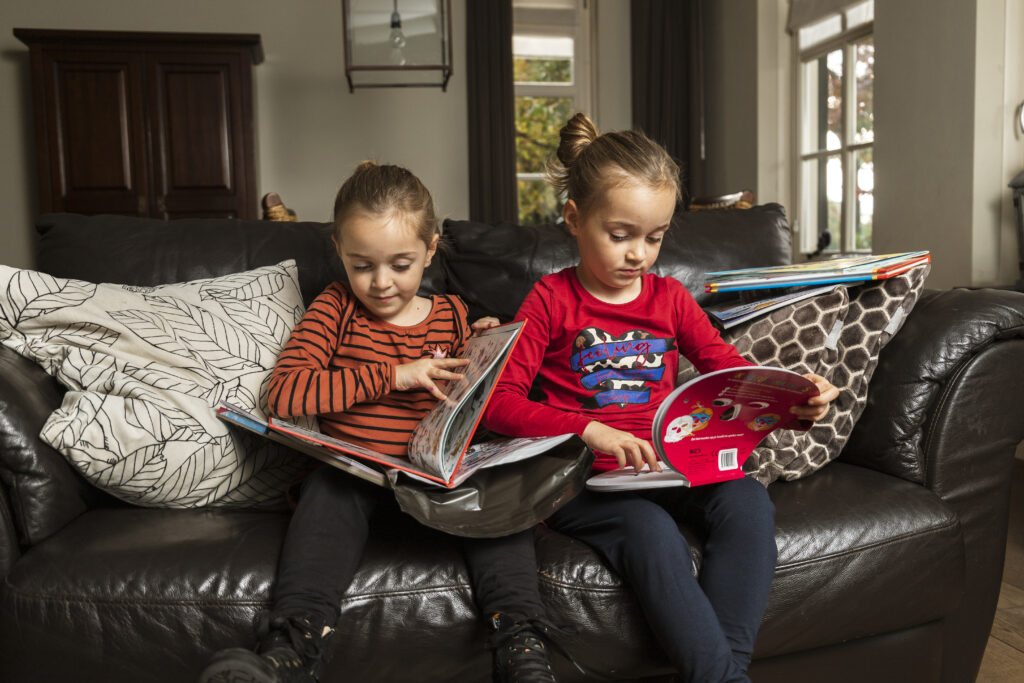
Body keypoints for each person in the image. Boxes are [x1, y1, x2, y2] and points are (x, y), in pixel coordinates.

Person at [482, 113, 839, 683]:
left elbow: (730, 371)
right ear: (575, 218)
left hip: (678, 465)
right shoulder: (549, 300)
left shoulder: (671, 297)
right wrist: (586, 430)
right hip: (588, 480)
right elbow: (498, 402)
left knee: (749, 505)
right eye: (620, 235)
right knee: (650, 532)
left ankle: (724, 673)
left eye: (655, 237)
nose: (638, 255)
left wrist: (793, 399)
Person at [199, 162, 561, 683]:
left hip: (436, 483)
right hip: (360, 480)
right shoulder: (336, 308)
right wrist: (395, 375)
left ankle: (522, 645)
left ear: (431, 250)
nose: (381, 282)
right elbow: (283, 394)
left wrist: (486, 344)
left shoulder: (453, 313)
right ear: (339, 251)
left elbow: (470, 398)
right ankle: (292, 647)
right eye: (362, 264)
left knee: (498, 500)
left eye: (401, 263)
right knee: (328, 489)